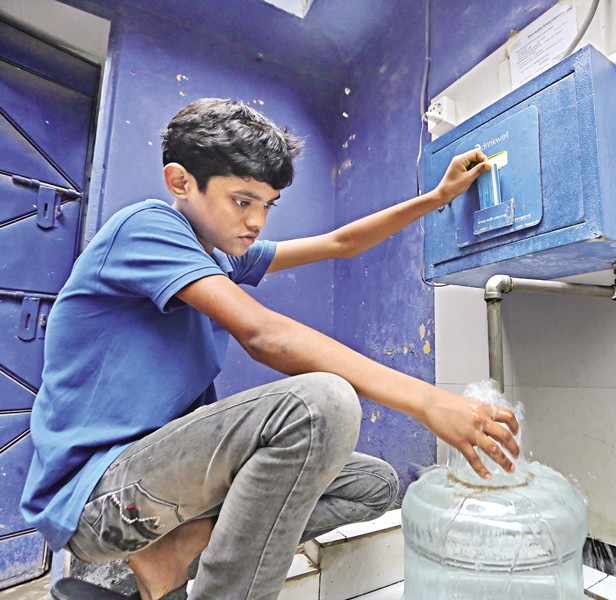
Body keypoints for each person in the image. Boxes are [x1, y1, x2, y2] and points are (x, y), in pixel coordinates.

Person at [21, 98, 519, 600]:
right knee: (320, 406)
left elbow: (341, 242)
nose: (257, 221)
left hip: (167, 488)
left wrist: (437, 197)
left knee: (374, 484)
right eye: (242, 201)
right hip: (96, 497)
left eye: (267, 205)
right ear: (180, 183)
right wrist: (429, 400)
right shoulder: (147, 228)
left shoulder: (219, 255)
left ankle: (174, 553)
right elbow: (263, 335)